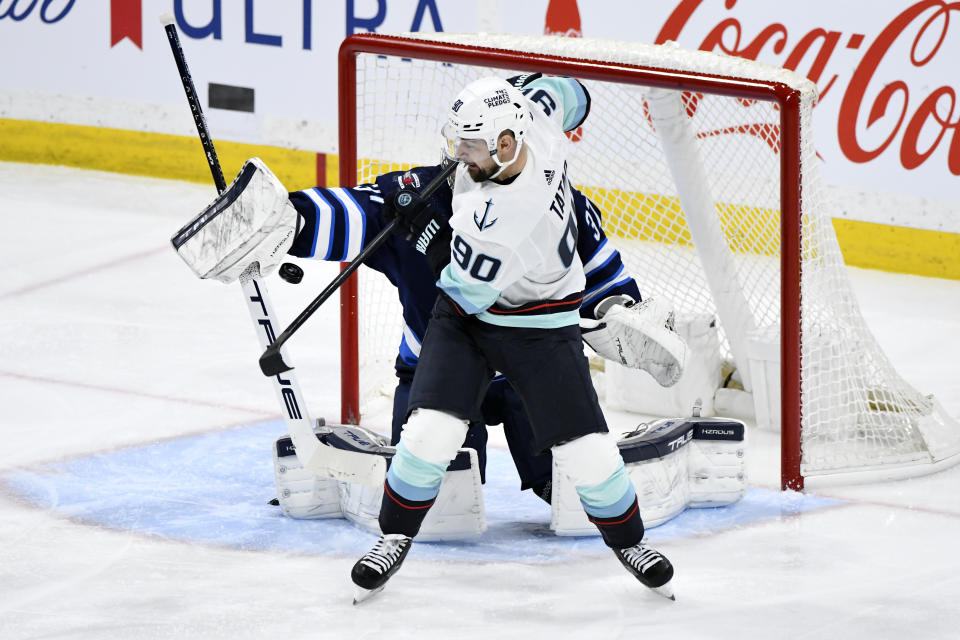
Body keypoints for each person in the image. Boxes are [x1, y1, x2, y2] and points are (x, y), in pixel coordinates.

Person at [348, 76, 676, 603]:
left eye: (469, 146)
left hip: (539, 328)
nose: (458, 156)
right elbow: (566, 95)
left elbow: (460, 281)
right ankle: (393, 536)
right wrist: (564, 95)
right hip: (465, 325)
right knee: (429, 432)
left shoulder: (507, 218)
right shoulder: (536, 127)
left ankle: (630, 543)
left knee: (590, 452)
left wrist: (423, 231)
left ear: (504, 144)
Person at [284, 74, 683, 502]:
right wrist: (287, 220)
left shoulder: (550, 202)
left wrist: (615, 307)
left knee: (569, 487)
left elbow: (591, 265)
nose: (460, 159)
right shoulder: (422, 198)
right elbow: (354, 211)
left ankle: (576, 473)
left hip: (527, 367)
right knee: (438, 495)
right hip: (437, 370)